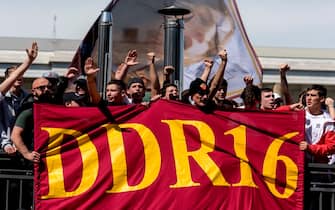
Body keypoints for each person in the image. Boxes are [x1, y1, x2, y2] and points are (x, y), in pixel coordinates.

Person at [0, 42, 38, 155]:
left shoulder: (28, 98)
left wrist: (19, 143)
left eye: (21, 74)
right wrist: (6, 143)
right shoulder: (2, 98)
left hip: (24, 149)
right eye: (15, 75)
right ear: (7, 79)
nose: (19, 76)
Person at [11, 77, 54, 163]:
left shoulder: (54, 106)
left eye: (49, 87)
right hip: (34, 161)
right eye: (42, 87)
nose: (46, 90)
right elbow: (15, 135)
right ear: (33, 91)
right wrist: (27, 154)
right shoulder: (29, 110)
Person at [299, 85, 335, 163]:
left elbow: (331, 147)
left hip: (319, 166)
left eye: (313, 95)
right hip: (299, 163)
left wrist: (310, 148)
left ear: (321, 99)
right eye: (307, 95)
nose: (308, 98)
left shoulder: (328, 121)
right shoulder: (298, 115)